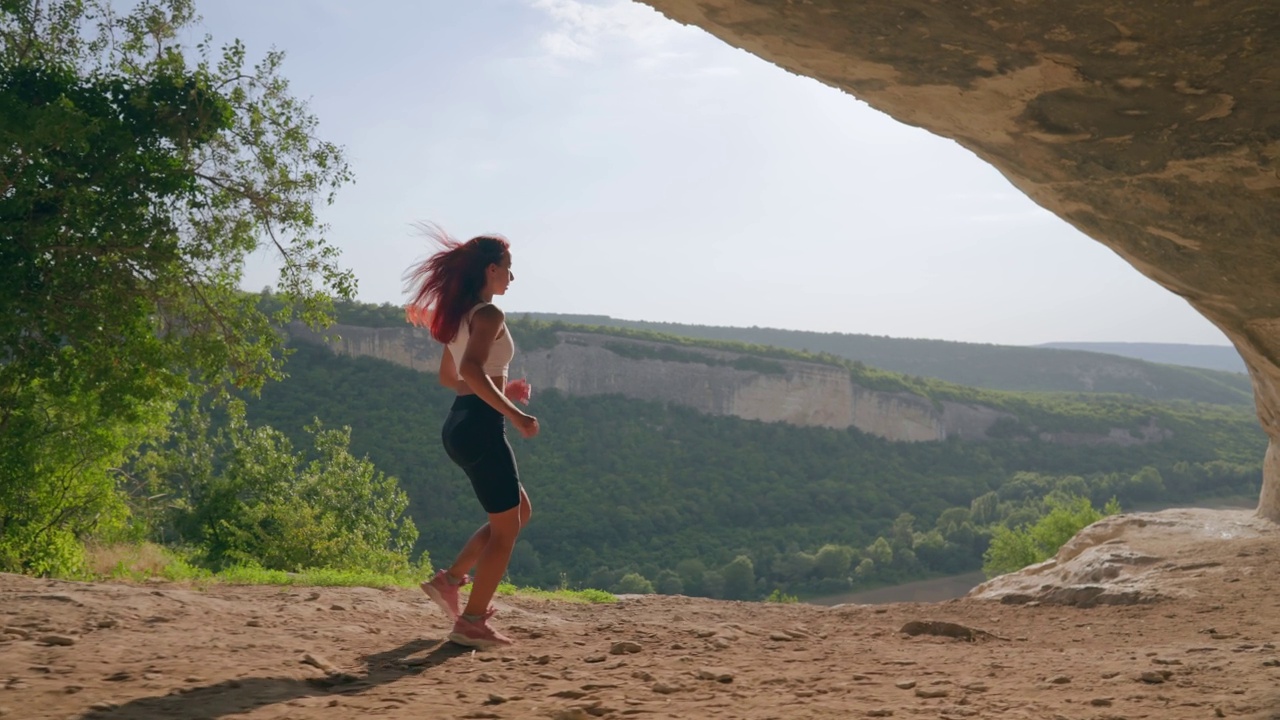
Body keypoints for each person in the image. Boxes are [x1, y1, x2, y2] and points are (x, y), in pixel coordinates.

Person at [403, 226, 538, 649]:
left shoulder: (458, 316)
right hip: (481, 427)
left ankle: (450, 580)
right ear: (492, 269)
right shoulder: (489, 315)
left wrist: (503, 390)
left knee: (519, 513)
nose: (511, 279)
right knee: (506, 531)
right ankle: (472, 622)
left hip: (460, 423)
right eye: (509, 271)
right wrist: (515, 413)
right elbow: (474, 372)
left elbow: (452, 377)